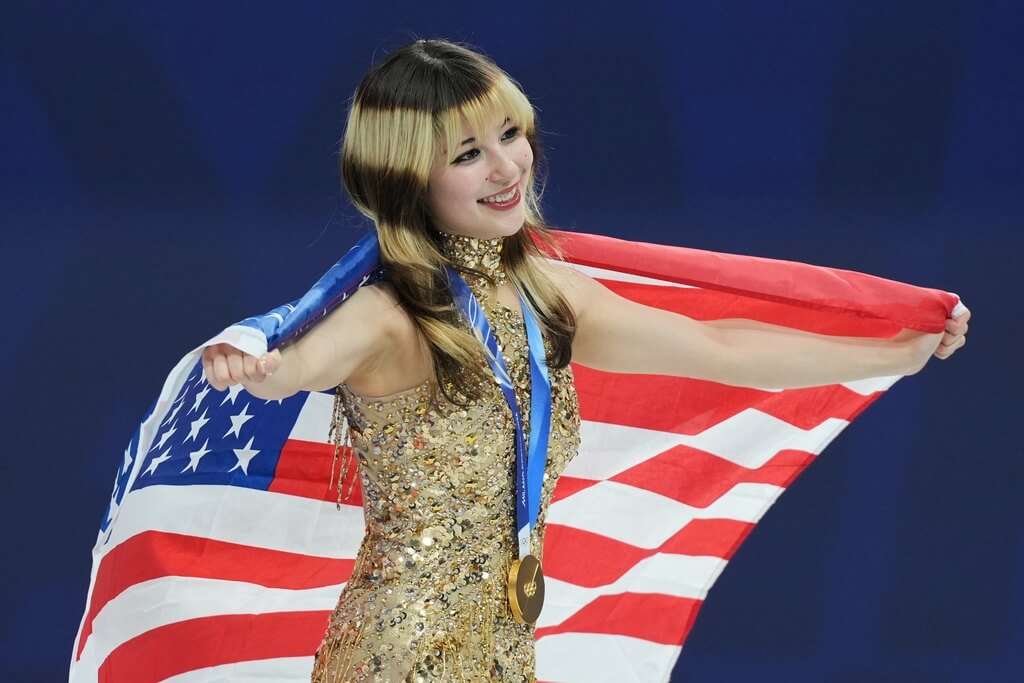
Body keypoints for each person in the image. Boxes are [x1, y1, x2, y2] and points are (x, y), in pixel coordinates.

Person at [200, 39, 969, 682]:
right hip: (399, 657)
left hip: (505, 648)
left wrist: (892, 350)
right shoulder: (394, 311)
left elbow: (720, 349)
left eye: (511, 133)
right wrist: (264, 366)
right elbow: (304, 361)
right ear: (407, 178)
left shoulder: (547, 292)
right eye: (469, 153)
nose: (507, 167)